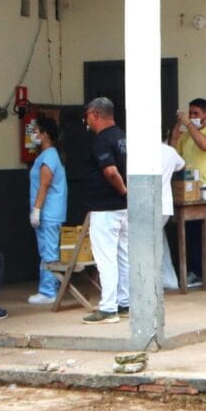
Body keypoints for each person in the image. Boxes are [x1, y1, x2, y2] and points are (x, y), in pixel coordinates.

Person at [82, 97, 129, 324]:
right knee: (123, 256)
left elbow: (110, 172)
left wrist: (121, 190)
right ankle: (125, 303)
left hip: (105, 207)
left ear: (94, 114)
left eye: (87, 117)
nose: (87, 121)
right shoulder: (122, 137)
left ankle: (109, 308)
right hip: (123, 209)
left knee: (106, 258)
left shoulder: (101, 140)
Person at [171, 98, 206, 289]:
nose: (192, 117)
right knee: (192, 232)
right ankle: (194, 272)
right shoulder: (187, 136)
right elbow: (172, 153)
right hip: (188, 188)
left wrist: (189, 125)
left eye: (196, 114)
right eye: (190, 113)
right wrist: (178, 131)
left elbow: (205, 145)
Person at [27, 117, 67, 305]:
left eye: (35, 131)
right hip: (50, 212)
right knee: (48, 250)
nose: (33, 134)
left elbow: (45, 184)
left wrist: (36, 210)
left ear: (45, 134)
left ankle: (48, 291)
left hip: (48, 213)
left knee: (48, 251)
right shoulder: (47, 155)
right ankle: (51, 288)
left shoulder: (49, 155)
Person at [160, 129, 186, 290]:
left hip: (145, 205)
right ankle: (167, 280)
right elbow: (181, 165)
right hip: (165, 205)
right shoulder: (170, 152)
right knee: (158, 241)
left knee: (146, 244)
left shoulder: (140, 150)